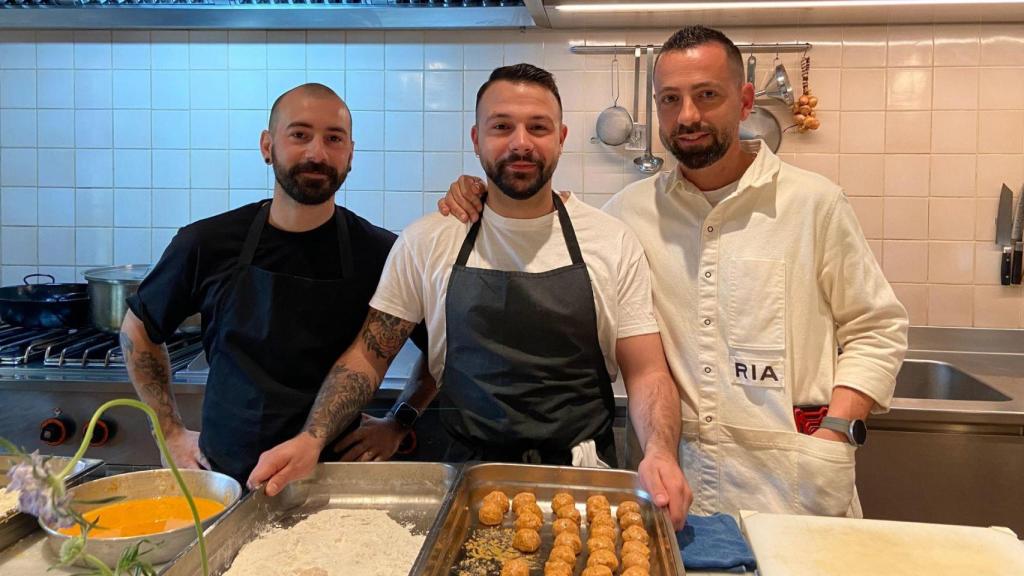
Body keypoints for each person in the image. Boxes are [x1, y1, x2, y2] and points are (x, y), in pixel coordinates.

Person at [439, 26, 909, 519]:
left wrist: (838, 427)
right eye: (670, 99)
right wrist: (476, 194)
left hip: (793, 493)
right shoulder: (628, 214)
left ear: (745, 101)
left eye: (707, 95)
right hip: (671, 496)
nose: (687, 116)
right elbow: (544, 214)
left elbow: (876, 329)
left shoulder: (814, 205)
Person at [247, 64, 693, 529]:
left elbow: (647, 372)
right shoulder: (428, 241)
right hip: (465, 486)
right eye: (502, 126)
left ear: (560, 137)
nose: (521, 142)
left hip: (583, 490)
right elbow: (368, 355)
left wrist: (660, 451)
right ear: (476, 137)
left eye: (537, 127)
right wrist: (313, 438)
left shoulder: (611, 241)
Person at [120, 83, 425, 484]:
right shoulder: (206, 244)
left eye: (333, 139)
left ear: (350, 154)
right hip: (225, 476)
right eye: (299, 135)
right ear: (267, 146)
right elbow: (138, 329)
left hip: (338, 480)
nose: (317, 153)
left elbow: (443, 350)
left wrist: (399, 421)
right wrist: (170, 432)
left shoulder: (383, 253)